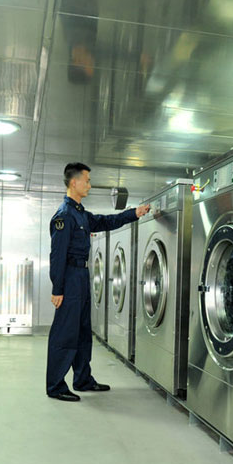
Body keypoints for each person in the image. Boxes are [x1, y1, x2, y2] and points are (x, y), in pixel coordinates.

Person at [46, 162, 150, 402]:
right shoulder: (64, 215)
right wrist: (57, 288)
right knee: (65, 333)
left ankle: (82, 379)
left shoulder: (80, 213)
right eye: (88, 180)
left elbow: (104, 222)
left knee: (82, 331)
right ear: (74, 182)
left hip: (82, 277)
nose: (90, 185)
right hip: (70, 279)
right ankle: (55, 385)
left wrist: (133, 214)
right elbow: (57, 256)